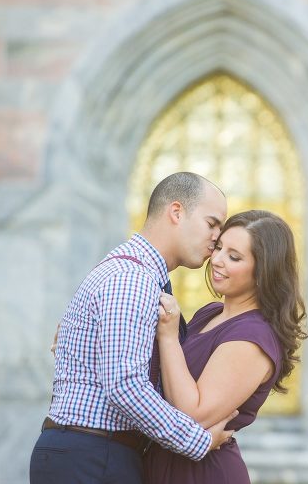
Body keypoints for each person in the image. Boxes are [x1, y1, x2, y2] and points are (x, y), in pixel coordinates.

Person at [30, 172, 235, 484]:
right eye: (212, 223)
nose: (217, 239)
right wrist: (199, 441)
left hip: (88, 454)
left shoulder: (131, 272)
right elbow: (125, 386)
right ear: (176, 212)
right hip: (94, 458)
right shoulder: (132, 278)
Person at [143, 210, 308, 483]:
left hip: (202, 473)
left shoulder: (252, 336)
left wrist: (170, 336)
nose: (216, 260)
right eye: (219, 247)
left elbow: (192, 416)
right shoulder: (210, 313)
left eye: (234, 257)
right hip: (162, 464)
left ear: (263, 271)